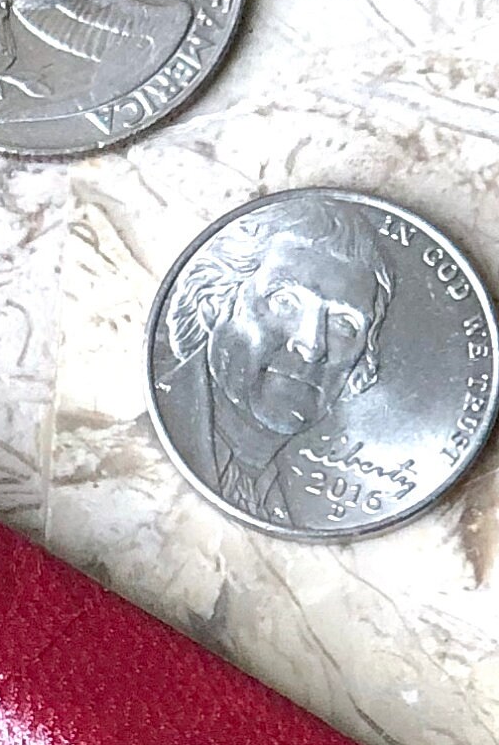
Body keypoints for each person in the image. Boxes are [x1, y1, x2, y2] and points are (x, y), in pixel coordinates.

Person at [164, 199, 393, 518]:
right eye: (285, 302)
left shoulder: (294, 496)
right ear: (213, 304)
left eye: (344, 323)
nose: (313, 346)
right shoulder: (134, 456)